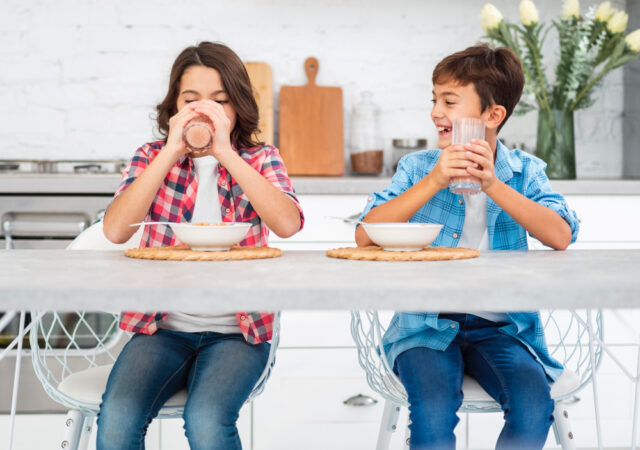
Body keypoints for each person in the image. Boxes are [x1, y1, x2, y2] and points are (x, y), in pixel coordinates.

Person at [355, 44, 579, 449]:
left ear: (493, 116)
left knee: (533, 407)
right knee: (434, 409)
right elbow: (366, 232)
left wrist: (494, 185)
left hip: (502, 328)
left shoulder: (525, 172)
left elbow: (560, 234)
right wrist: (434, 181)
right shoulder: (419, 167)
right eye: (434, 99)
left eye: (449, 101)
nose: (436, 111)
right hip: (426, 325)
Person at [98, 41, 304, 450]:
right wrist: (171, 150)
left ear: (237, 106)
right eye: (191, 100)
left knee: (207, 420)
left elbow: (287, 223)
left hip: (237, 333)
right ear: (174, 106)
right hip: (162, 328)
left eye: (219, 101)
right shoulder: (151, 156)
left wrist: (226, 153)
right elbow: (116, 230)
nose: (204, 110)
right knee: (118, 420)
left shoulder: (260, 159)